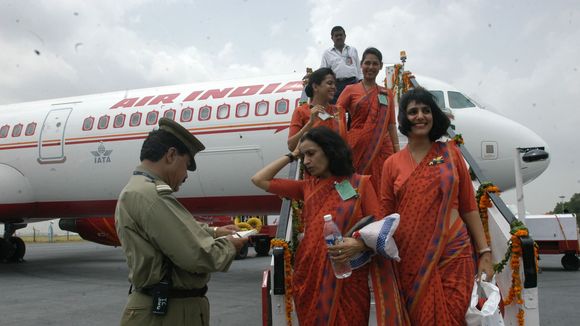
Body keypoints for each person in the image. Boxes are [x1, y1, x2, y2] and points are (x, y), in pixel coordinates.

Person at [253, 126, 408, 325]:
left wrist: (359, 244)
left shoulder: (360, 184)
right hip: (309, 277)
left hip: (348, 280)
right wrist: (293, 155)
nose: (306, 161)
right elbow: (259, 179)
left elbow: (378, 231)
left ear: (329, 150)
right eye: (304, 155)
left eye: (311, 153)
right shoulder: (306, 187)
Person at [115, 118, 247, 326]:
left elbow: (174, 232)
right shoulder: (151, 196)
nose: (185, 175)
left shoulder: (142, 190)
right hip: (165, 313)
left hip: (168, 308)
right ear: (171, 155)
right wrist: (230, 244)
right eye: (186, 165)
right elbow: (197, 255)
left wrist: (215, 232)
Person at [380, 87, 494, 325]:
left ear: (434, 115)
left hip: (454, 251)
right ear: (404, 119)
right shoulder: (392, 164)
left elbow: (468, 206)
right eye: (413, 111)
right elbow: (386, 215)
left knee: (455, 315)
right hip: (412, 258)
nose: (420, 116)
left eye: (426, 110)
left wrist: (484, 252)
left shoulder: (452, 154)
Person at [337, 47, 400, 191]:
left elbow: (391, 125)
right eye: (367, 63)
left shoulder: (387, 93)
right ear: (361, 64)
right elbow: (336, 116)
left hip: (382, 147)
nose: (370, 67)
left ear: (380, 66)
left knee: (384, 187)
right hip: (356, 146)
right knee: (358, 188)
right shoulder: (349, 90)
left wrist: (397, 151)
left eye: (375, 64)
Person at [287, 67, 347, 151]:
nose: (334, 87)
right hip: (312, 163)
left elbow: (345, 144)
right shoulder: (301, 111)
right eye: (329, 83)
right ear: (315, 87)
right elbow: (291, 146)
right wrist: (310, 124)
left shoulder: (339, 111)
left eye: (334, 84)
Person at [320, 26, 362, 104]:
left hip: (353, 83)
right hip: (336, 85)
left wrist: (361, 82)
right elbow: (323, 72)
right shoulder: (327, 53)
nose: (339, 37)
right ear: (332, 38)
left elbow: (359, 69)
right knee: (337, 110)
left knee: (354, 109)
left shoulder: (353, 50)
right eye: (336, 35)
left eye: (341, 35)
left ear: (345, 36)